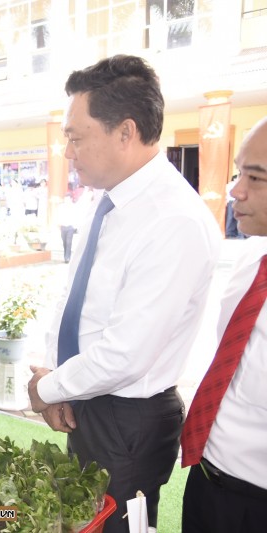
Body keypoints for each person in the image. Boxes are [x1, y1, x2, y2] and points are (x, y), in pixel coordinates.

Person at [26, 55, 221, 533]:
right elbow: (79, 300)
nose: (67, 152)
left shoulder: (171, 218)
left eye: (75, 136)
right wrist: (59, 378)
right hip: (88, 395)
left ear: (125, 132)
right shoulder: (117, 199)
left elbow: (126, 353)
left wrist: (45, 388)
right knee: (80, 520)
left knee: (114, 526)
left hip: (125, 419)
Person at [180, 117, 267, 533]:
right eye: (238, 170)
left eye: (257, 177)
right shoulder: (252, 257)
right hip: (207, 476)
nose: (236, 190)